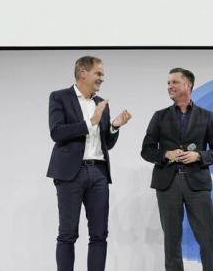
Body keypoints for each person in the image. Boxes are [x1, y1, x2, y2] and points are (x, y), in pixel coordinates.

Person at [46, 56, 132, 271]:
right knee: (68, 234)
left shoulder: (100, 103)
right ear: (83, 72)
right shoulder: (60, 97)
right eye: (99, 73)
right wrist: (89, 122)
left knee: (99, 234)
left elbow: (107, 144)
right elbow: (56, 132)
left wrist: (114, 126)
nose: (102, 78)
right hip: (70, 175)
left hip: (99, 173)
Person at [141, 68, 213, 271]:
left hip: (197, 184)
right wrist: (165, 155)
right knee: (172, 241)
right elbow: (146, 150)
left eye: (174, 82)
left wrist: (200, 156)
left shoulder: (207, 116)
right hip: (167, 184)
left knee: (207, 238)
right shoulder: (159, 117)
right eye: (168, 83)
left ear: (188, 85)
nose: (169, 86)